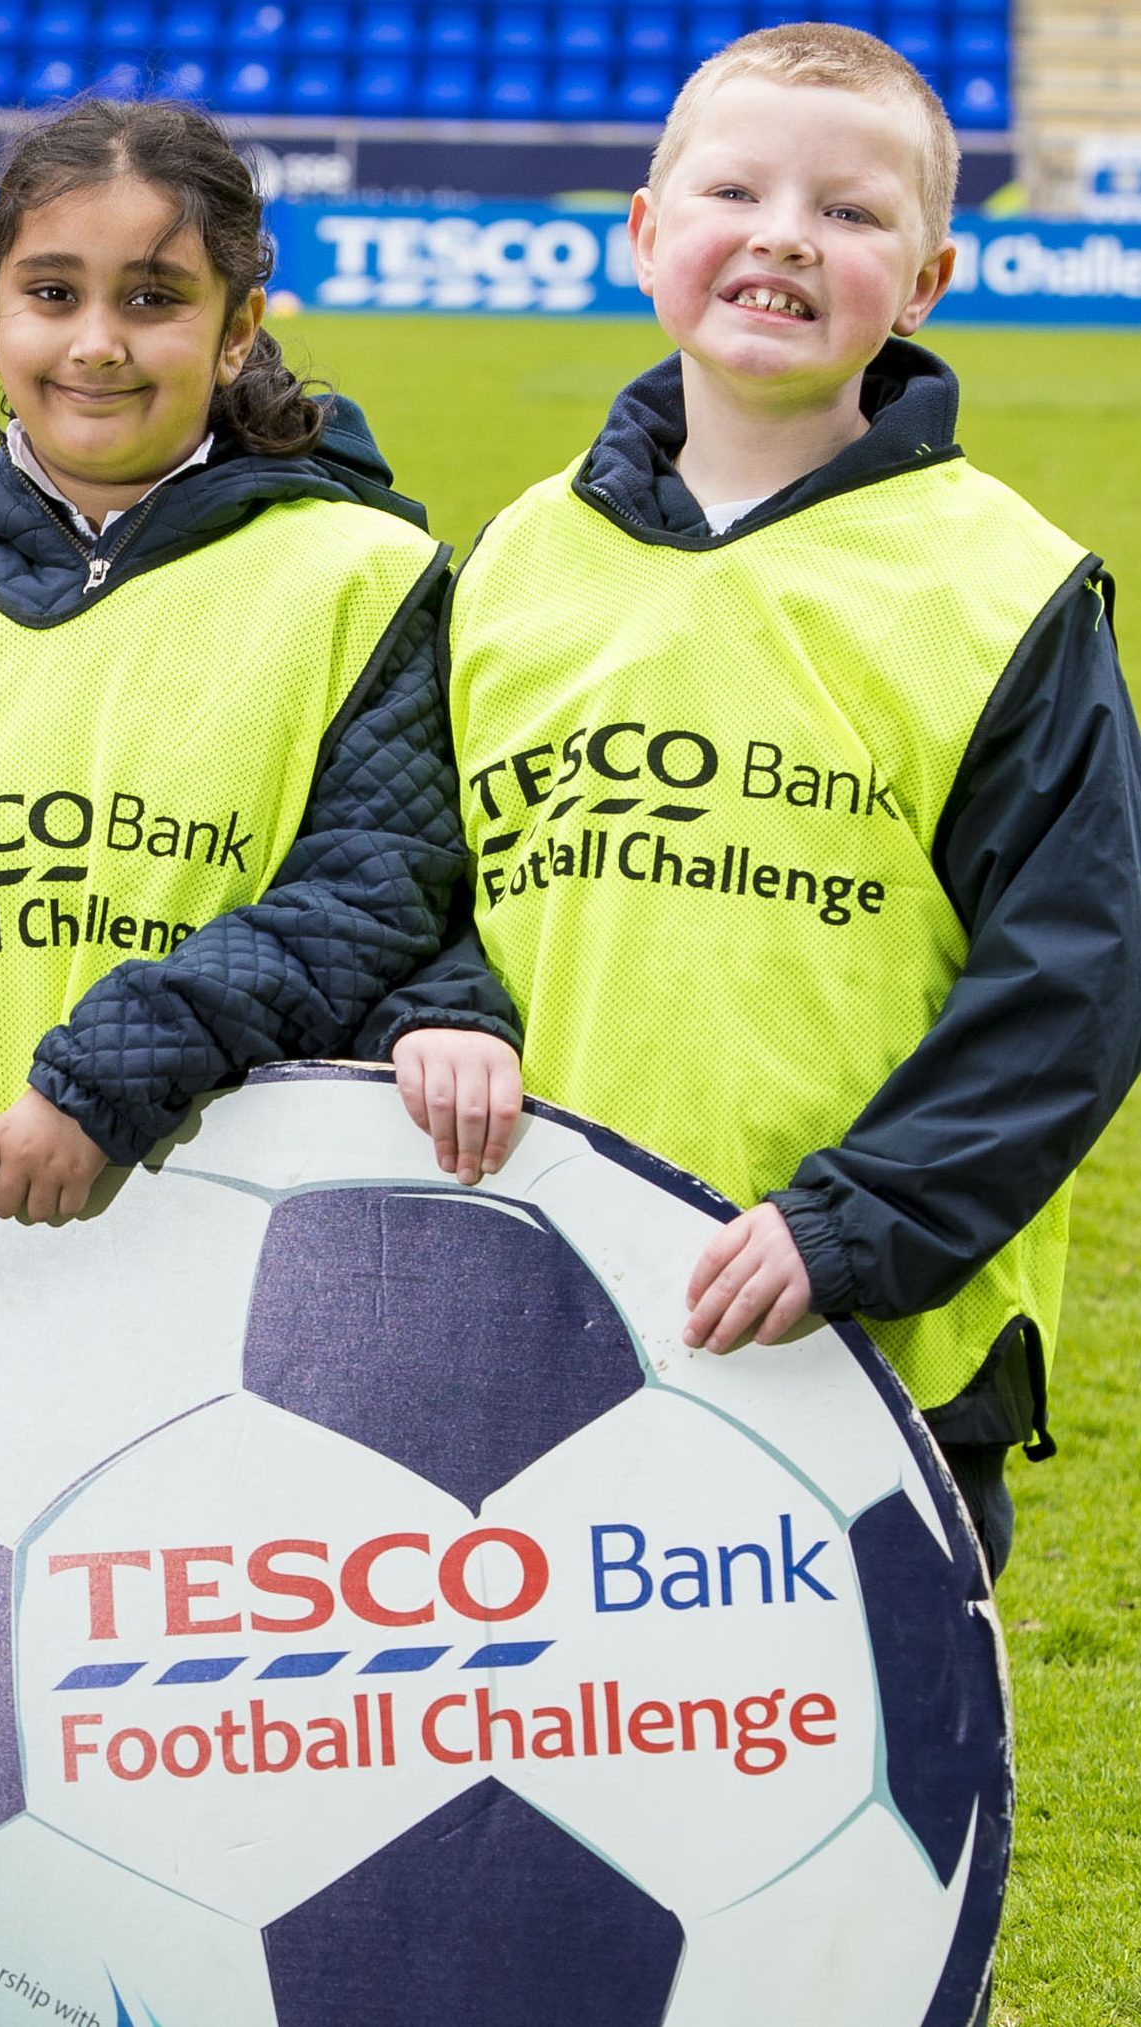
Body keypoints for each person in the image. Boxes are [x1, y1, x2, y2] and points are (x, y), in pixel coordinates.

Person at [372, 24, 1141, 1575]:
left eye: (850, 213)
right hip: (531, 1304)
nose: (784, 233)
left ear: (923, 281)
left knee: (852, 1813)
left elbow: (1077, 971)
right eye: (735, 189)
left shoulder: (1002, 583)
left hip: (859, 1342)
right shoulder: (516, 554)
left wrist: (850, 1224)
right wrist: (440, 999)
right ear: (649, 235)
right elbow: (405, 858)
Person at [0, 98, 464, 1335]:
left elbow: (373, 896)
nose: (96, 343)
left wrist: (103, 1081)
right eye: (52, 293)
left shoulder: (366, 580)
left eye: (153, 299)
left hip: (231, 1302)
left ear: (236, 331)